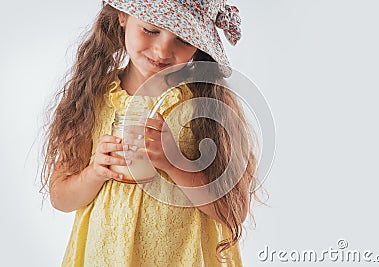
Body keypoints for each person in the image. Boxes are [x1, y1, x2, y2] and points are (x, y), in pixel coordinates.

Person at [41, 0, 260, 266]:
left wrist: (174, 163)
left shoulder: (208, 107)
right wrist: (95, 172)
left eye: (183, 39)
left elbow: (233, 212)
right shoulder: (93, 98)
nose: (162, 50)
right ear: (123, 15)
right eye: (151, 30)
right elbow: (61, 198)